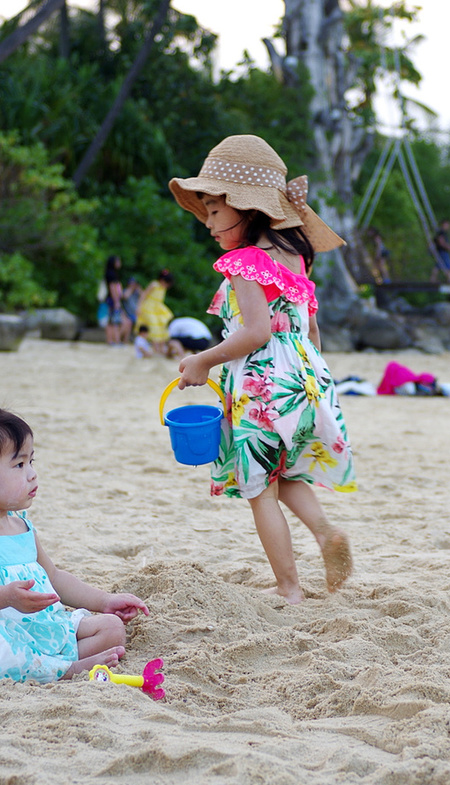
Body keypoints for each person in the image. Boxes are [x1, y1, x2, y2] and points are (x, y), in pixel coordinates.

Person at [169, 134, 355, 605]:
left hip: (262, 384)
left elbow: (254, 333)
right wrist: (311, 382)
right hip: (306, 382)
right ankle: (326, 532)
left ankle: (289, 587)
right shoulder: (296, 261)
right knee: (286, 473)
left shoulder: (245, 262)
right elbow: (311, 331)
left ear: (247, 208)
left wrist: (202, 361)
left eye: (214, 210)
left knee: (260, 491)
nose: (208, 223)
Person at [0, 401, 148, 684]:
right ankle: (67, 670)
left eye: (31, 461)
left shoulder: (21, 524)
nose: (32, 473)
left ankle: (49, 666)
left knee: (112, 629)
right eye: (18, 464)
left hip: (37, 625)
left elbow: (53, 577)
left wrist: (104, 601)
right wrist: (6, 596)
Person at [98, 255, 136, 345]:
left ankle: (113, 340)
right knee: (113, 321)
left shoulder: (109, 273)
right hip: (112, 300)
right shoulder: (112, 275)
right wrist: (116, 301)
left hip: (111, 300)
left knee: (114, 321)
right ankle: (113, 340)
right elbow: (113, 288)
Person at [136, 269, 174, 355]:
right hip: (149, 307)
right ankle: (155, 348)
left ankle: (161, 348)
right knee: (153, 327)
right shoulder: (154, 285)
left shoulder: (163, 288)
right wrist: (139, 307)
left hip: (157, 308)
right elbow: (144, 295)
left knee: (162, 325)